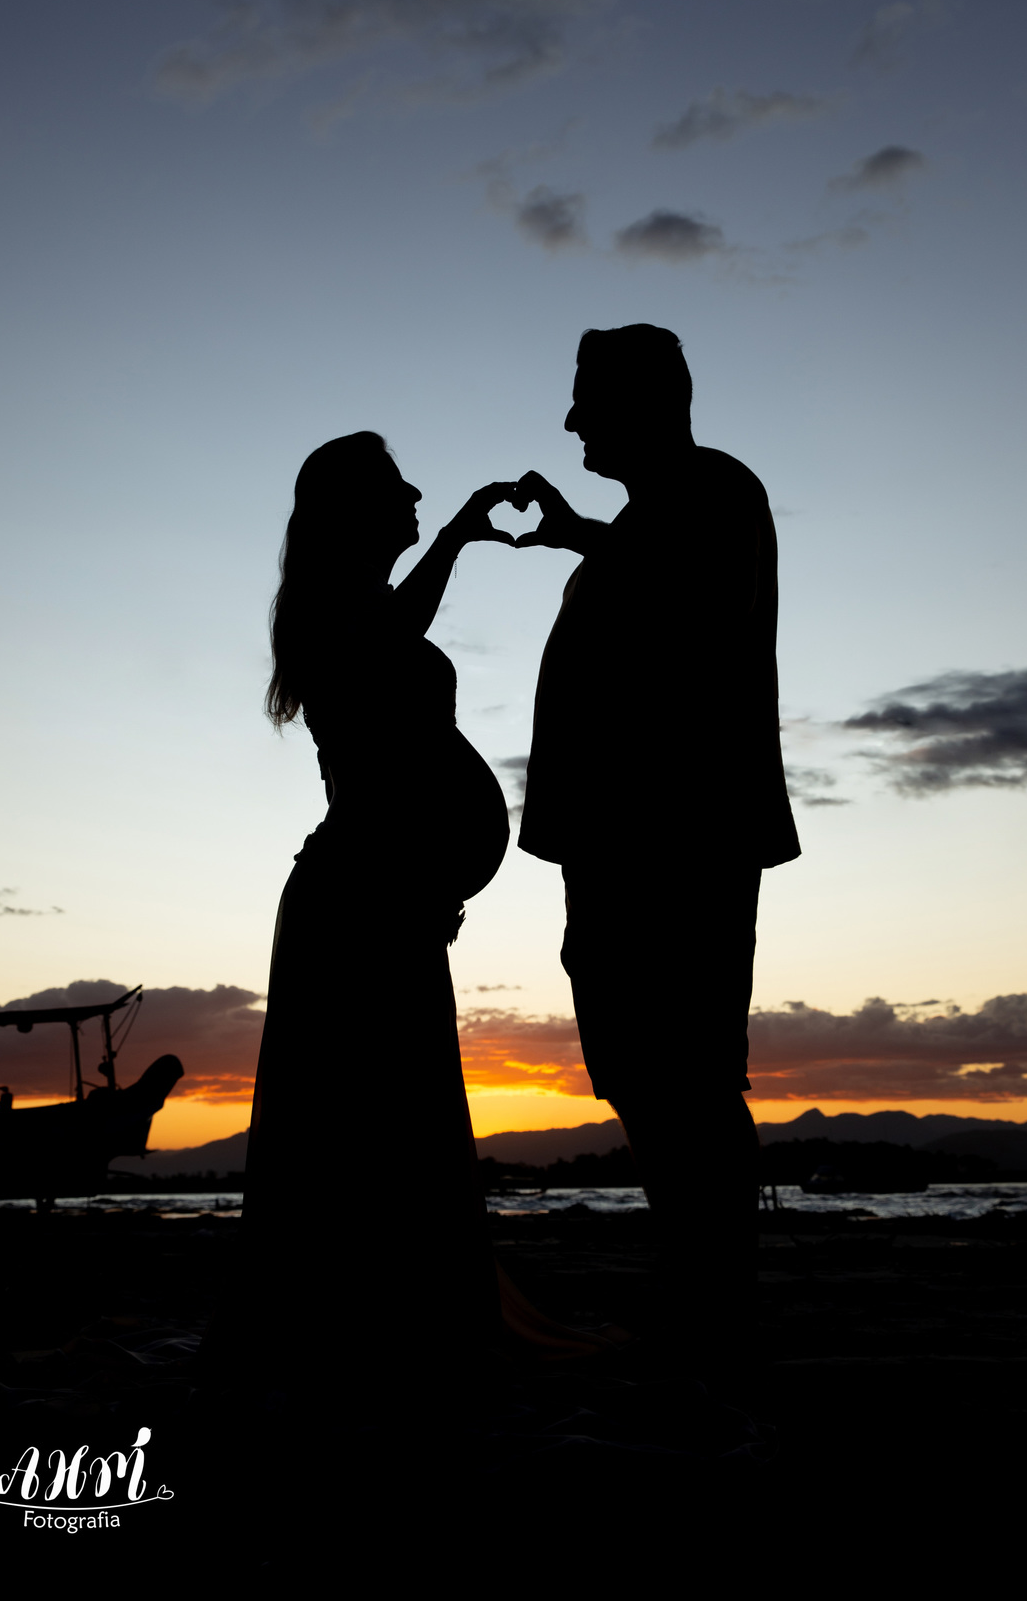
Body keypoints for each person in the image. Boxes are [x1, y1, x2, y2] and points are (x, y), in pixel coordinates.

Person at [512, 324, 800, 1391]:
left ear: (647, 402)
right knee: (644, 1067)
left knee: (683, 1072)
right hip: (623, 840)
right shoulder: (653, 517)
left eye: (588, 401)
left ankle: (712, 1313)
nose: (571, 421)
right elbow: (655, 574)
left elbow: (693, 597)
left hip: (677, 837)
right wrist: (580, 536)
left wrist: (585, 538)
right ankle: (699, 1298)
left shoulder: (716, 490)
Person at [238, 432, 517, 1402]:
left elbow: (399, 633)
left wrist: (457, 534)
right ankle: (366, 1341)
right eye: (398, 484)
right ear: (356, 509)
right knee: (366, 1122)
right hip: (358, 897)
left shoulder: (360, 606)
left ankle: (392, 1331)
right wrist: (458, 534)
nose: (416, 492)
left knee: (394, 1116)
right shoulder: (338, 614)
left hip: (383, 891)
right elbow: (391, 646)